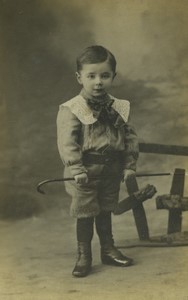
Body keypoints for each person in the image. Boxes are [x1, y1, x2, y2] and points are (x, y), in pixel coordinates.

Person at [57, 45, 139, 277]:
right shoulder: (73, 108)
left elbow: (130, 138)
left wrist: (129, 166)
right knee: (85, 213)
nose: (98, 82)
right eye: (91, 76)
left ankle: (108, 249)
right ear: (79, 77)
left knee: (104, 211)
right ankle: (84, 255)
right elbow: (67, 142)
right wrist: (75, 168)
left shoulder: (120, 107)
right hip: (84, 172)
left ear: (114, 76)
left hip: (111, 171)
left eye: (105, 75)